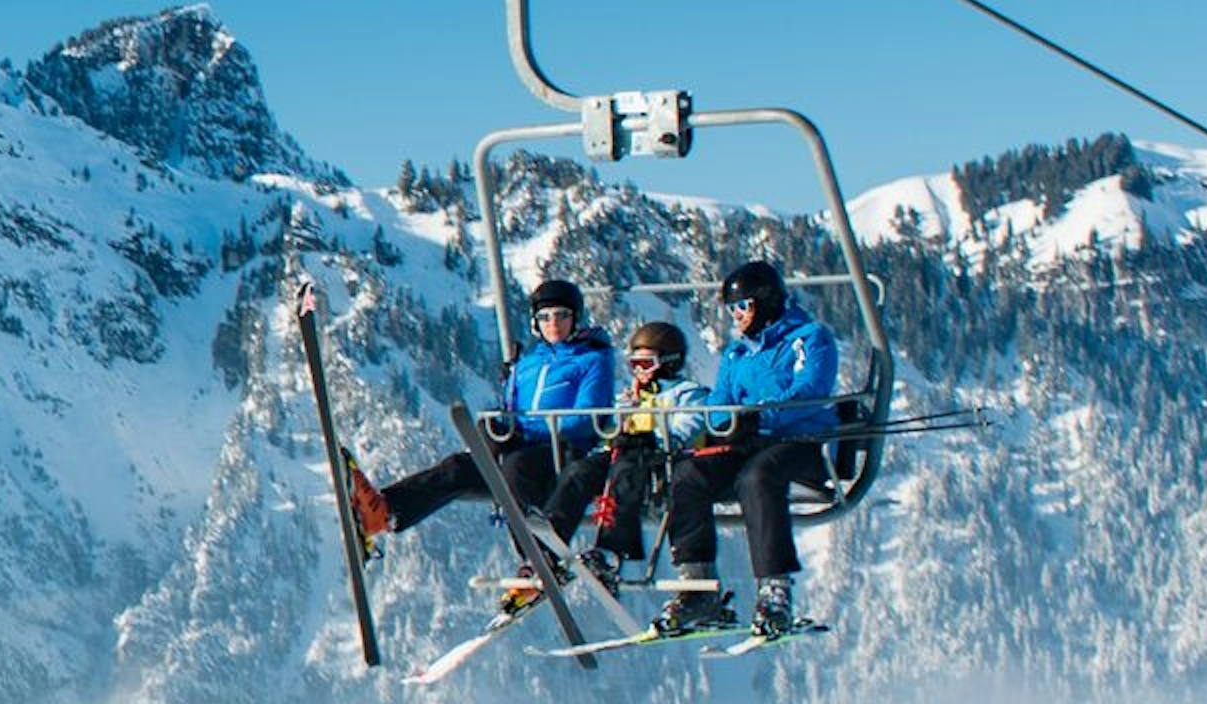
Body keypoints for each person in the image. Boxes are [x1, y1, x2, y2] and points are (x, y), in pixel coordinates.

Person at [343, 278, 617, 565]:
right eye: (545, 317)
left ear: (575, 318)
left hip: (564, 451)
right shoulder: (526, 365)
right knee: (460, 467)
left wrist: (523, 429)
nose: (554, 324)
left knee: (517, 466)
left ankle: (537, 557)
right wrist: (501, 428)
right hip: (521, 447)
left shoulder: (592, 359)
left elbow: (587, 416)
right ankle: (387, 510)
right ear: (536, 323)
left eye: (562, 315)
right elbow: (511, 408)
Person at [656, 259, 843, 638]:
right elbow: (719, 404)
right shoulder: (737, 354)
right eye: (731, 310)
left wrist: (759, 417)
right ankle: (698, 588)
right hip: (750, 442)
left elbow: (810, 392)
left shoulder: (808, 338)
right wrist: (725, 425)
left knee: (758, 477)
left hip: (801, 442)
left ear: (765, 302)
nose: (736, 317)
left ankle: (775, 591)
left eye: (742, 308)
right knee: (689, 474)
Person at [536, 319, 708, 599]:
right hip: (624, 456)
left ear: (668, 363)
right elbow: (608, 431)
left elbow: (686, 429)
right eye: (634, 365)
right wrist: (617, 427)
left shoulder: (687, 394)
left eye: (645, 364)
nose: (639, 372)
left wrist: (652, 439)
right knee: (581, 470)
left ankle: (612, 551)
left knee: (627, 468)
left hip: (661, 465)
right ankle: (549, 541)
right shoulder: (629, 398)